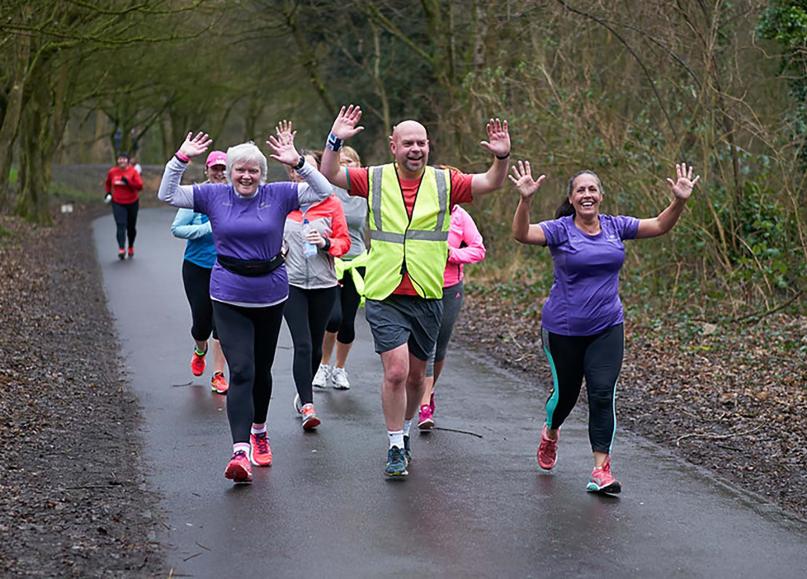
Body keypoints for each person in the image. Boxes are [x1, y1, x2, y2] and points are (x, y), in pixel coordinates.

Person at [320, 105, 512, 479]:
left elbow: (491, 182)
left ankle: (405, 433)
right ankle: (393, 445)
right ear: (393, 146)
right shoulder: (374, 178)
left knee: (415, 377)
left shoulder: (445, 182)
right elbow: (329, 172)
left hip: (427, 291)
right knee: (396, 371)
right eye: (408, 142)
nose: (415, 149)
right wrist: (335, 138)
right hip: (385, 290)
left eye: (421, 143)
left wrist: (502, 156)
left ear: (429, 146)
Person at [510, 160, 700, 494]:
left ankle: (601, 470)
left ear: (601, 196)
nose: (587, 194)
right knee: (566, 395)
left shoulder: (615, 227)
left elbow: (658, 225)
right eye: (580, 190)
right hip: (563, 330)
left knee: (601, 393)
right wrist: (525, 200)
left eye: (592, 189)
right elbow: (522, 234)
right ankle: (550, 432)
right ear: (571, 198)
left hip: (607, 326)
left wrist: (679, 201)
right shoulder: (560, 230)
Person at [157, 130, 332, 484]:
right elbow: (167, 194)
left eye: (253, 170)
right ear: (231, 172)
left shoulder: (279, 195)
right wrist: (180, 158)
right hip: (227, 293)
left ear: (262, 174)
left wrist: (298, 162)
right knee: (242, 369)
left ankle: (260, 430)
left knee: (263, 371)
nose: (246, 176)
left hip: (270, 293)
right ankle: (240, 451)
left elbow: (324, 191)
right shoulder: (213, 195)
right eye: (240, 170)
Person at [282, 145, 351, 430]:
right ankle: (309, 406)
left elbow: (345, 243)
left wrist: (325, 244)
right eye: (298, 171)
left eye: (308, 169)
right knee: (302, 344)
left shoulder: (332, 203)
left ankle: (303, 394)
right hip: (291, 283)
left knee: (313, 347)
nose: (302, 175)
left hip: (324, 284)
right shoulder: (283, 201)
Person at [417, 203, 486, 430]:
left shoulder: (460, 216)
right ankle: (424, 405)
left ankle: (429, 390)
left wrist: (452, 254)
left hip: (450, 288)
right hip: (421, 286)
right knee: (427, 345)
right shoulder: (420, 209)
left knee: (440, 346)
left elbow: (478, 249)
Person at [170, 150, 230, 395]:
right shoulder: (196, 195)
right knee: (201, 324)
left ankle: (218, 374)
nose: (219, 173)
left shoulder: (236, 195)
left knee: (222, 324)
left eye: (224, 169)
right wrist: (207, 228)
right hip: (196, 267)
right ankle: (199, 349)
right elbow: (177, 228)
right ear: (207, 170)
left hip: (226, 268)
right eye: (215, 169)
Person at [313, 145, 368, 390]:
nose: (346, 166)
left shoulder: (367, 194)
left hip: (357, 262)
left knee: (347, 321)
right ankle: (323, 366)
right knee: (332, 318)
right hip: (331, 260)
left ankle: (340, 369)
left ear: (359, 166)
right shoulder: (329, 190)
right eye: (342, 161)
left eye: (351, 161)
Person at [105, 152, 143, 259]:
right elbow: (108, 183)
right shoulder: (112, 172)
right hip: (117, 202)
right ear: (117, 161)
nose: (122, 161)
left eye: (124, 159)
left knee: (131, 227)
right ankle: (121, 248)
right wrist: (108, 193)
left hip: (132, 202)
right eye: (120, 159)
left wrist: (128, 182)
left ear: (128, 160)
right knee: (120, 225)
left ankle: (130, 246)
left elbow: (140, 186)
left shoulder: (133, 171)